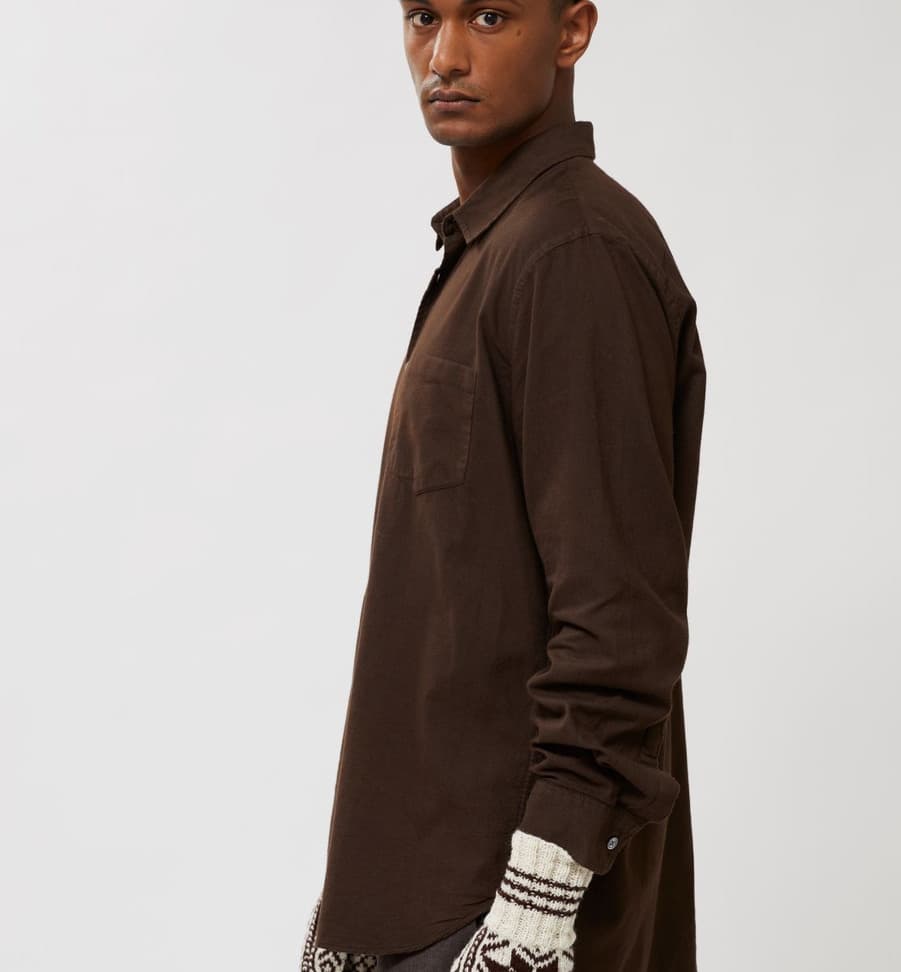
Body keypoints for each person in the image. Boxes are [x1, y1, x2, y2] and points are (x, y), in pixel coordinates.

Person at [300, 1, 706, 969]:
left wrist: (533, 910)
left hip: (505, 912)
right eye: (422, 17)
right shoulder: (499, 246)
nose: (443, 56)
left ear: (571, 32)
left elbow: (619, 622)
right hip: (425, 890)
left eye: (488, 15)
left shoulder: (573, 253)